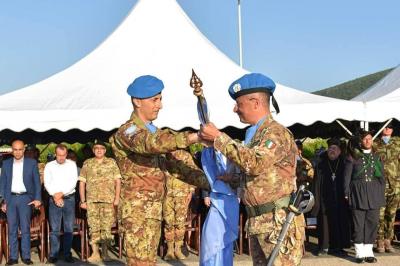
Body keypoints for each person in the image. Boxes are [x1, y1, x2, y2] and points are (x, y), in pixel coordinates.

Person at [199, 73, 305, 266]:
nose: (235, 109)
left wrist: (219, 138)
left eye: (239, 104)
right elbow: (254, 177)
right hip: (259, 222)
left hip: (277, 223)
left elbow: (255, 164)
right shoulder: (255, 136)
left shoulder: (275, 132)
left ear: (255, 102)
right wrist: (229, 178)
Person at [109, 75, 210, 266]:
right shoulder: (128, 132)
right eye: (154, 100)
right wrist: (194, 137)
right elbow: (151, 144)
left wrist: (214, 182)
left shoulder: (156, 133)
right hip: (137, 214)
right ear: (137, 101)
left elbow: (179, 168)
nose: (160, 105)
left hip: (154, 212)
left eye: (160, 99)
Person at [344, 130, 386, 263]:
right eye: (365, 139)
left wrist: (380, 191)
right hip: (357, 193)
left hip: (374, 194)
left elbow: (381, 177)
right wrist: (346, 193)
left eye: (370, 139)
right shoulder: (353, 157)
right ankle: (359, 253)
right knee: (358, 224)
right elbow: (346, 177)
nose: (368, 141)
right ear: (361, 141)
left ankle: (369, 252)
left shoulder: (376, 157)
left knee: (372, 223)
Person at [78, 140, 121, 262]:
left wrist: (117, 198)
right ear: (93, 150)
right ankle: (95, 253)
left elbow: (117, 181)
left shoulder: (111, 162)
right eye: (96, 148)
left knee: (106, 228)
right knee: (94, 227)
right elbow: (82, 182)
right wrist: (83, 201)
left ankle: (106, 253)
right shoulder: (87, 163)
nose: (99, 150)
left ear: (105, 150)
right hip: (92, 201)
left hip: (108, 201)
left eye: (101, 148)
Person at [0, 140, 41, 265]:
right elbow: (2, 183)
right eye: (15, 149)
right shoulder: (6, 163)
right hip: (10, 199)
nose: (17, 152)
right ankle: (13, 257)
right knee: (12, 229)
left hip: (25, 199)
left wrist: (38, 199)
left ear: (24, 150)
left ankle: (26, 256)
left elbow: (37, 183)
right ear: (12, 150)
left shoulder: (32, 163)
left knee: (25, 229)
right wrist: (2, 201)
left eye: (20, 149)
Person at [311, 138, 350, 256]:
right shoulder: (321, 165)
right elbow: (316, 183)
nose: (332, 151)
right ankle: (324, 247)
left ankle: (338, 247)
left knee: (340, 222)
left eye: (335, 149)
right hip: (325, 199)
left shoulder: (344, 163)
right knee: (325, 224)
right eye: (330, 148)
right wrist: (316, 201)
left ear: (339, 151)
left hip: (340, 199)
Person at [44, 144, 78, 263]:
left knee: (68, 228)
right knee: (55, 229)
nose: (61, 158)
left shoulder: (72, 165)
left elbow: (73, 182)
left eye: (63, 155)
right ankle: (54, 254)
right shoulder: (49, 165)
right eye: (59, 155)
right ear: (55, 154)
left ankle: (67, 253)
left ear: (66, 154)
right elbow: (47, 183)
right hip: (53, 199)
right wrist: (55, 195)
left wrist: (61, 194)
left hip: (68, 198)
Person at [374, 122, 400, 253]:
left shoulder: (398, 142)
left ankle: (388, 240)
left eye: (389, 127)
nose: (387, 129)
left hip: (395, 184)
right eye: (384, 126)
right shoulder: (374, 143)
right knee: (380, 214)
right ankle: (379, 240)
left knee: (391, 214)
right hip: (380, 185)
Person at [163, 174, 194, 261]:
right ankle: (170, 250)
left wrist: (191, 192)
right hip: (167, 195)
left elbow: (191, 173)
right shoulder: (165, 159)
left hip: (182, 195)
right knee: (168, 223)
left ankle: (178, 249)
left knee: (180, 224)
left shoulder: (186, 159)